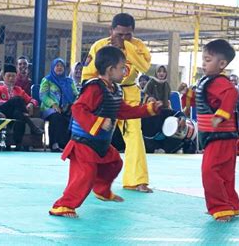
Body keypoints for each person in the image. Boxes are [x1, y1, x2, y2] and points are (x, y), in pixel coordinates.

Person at [49, 46, 162, 218]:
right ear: (110, 70)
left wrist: (149, 109)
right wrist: (99, 122)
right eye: (122, 67)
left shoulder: (115, 90)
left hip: (100, 144)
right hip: (83, 144)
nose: (125, 71)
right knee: (84, 177)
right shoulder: (94, 88)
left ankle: (102, 190)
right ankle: (62, 206)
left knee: (115, 162)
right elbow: (78, 109)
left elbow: (124, 111)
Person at [82, 13, 153, 193]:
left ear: (133, 33)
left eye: (128, 34)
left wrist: (126, 46)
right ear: (111, 30)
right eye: (119, 34)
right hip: (104, 93)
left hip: (129, 92)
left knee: (135, 133)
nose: (123, 38)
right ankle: (89, 177)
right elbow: (88, 74)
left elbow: (145, 67)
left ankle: (136, 180)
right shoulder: (99, 46)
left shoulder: (137, 47)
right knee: (94, 135)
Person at [196, 39, 239, 222]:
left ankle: (220, 207)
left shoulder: (219, 82)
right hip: (222, 137)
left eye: (207, 60)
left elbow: (232, 93)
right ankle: (231, 204)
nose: (203, 63)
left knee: (210, 170)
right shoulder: (209, 81)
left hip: (219, 136)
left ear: (222, 64)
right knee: (225, 172)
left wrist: (222, 114)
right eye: (203, 59)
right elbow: (206, 102)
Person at [40, 58, 79, 152]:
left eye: (61, 66)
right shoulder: (47, 80)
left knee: (75, 115)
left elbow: (76, 94)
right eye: (57, 65)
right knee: (57, 116)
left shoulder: (69, 81)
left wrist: (76, 102)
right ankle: (54, 144)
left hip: (66, 107)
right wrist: (53, 105)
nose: (59, 68)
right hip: (49, 108)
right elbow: (43, 95)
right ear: (53, 67)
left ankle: (67, 144)